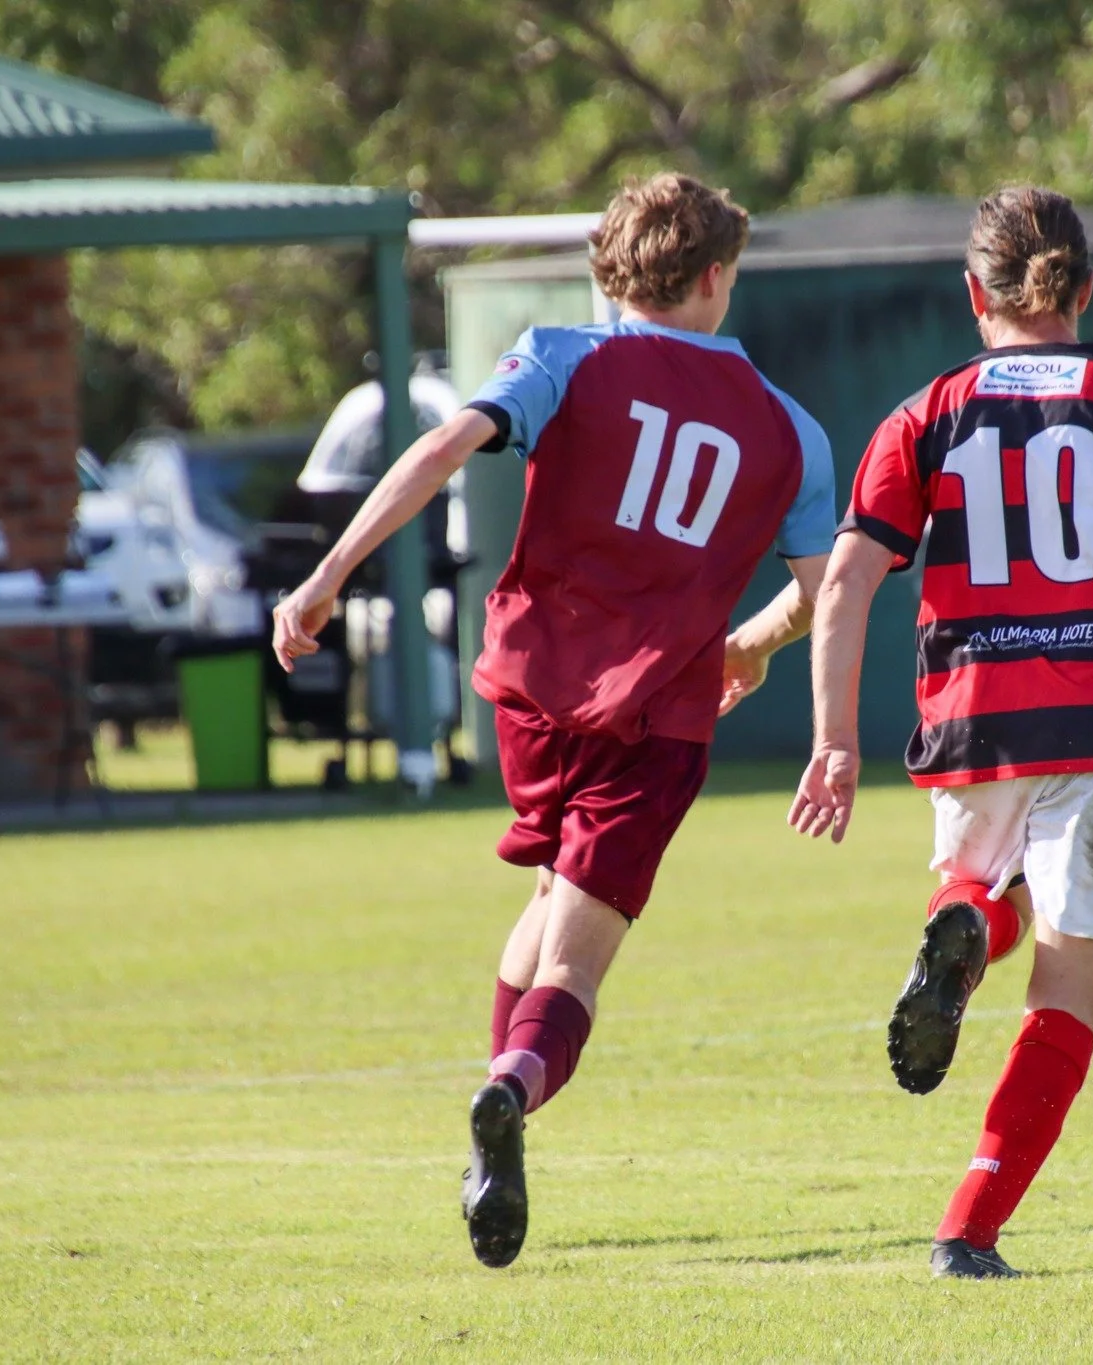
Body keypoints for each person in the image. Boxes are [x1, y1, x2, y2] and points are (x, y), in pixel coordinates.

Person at [272, 173, 837, 1269]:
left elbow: (438, 453)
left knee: (547, 897)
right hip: (656, 718)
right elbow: (825, 589)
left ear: (609, 271)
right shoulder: (788, 428)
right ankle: (510, 1091)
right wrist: (753, 647)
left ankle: (497, 1133)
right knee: (574, 970)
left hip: (530, 696)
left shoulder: (561, 356)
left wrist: (327, 576)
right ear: (717, 276)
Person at [789, 187, 1093, 1279]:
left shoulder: (926, 411)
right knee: (1067, 990)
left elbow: (850, 580)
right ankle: (968, 1227)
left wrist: (833, 741)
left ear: (973, 296)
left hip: (971, 722)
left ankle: (959, 928)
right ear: (1085, 288)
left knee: (979, 894)